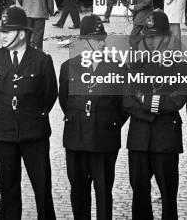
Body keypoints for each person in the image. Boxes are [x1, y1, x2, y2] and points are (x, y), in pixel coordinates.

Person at [0, 6, 58, 220]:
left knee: (42, 187)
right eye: (2, 31)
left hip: (34, 133)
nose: (3, 35)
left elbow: (49, 95)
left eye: (9, 31)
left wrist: (32, 114)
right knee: (8, 188)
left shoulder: (42, 60)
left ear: (23, 33)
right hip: (4, 133)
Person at [58, 15, 128, 220]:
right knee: (78, 191)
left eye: (102, 38)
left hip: (104, 139)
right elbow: (65, 102)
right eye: (96, 39)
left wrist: (106, 122)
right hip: (76, 139)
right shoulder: (68, 67)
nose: (101, 43)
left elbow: (123, 107)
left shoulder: (118, 68)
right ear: (82, 41)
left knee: (104, 192)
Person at [123, 9, 187, 220]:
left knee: (168, 194)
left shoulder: (179, 61)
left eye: (155, 37)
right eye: (148, 37)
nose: (151, 42)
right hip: (139, 137)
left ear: (166, 36)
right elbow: (126, 99)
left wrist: (145, 100)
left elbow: (178, 100)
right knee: (139, 194)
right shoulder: (134, 59)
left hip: (165, 137)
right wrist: (155, 106)